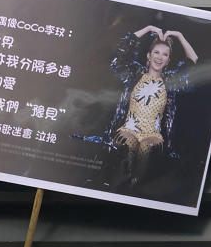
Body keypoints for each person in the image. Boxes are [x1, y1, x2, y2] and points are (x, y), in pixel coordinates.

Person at [74, 25, 198, 191]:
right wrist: (147, 29)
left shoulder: (170, 81)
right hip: (128, 128)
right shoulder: (134, 73)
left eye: (165, 54)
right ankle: (116, 187)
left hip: (152, 134)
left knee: (146, 147)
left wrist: (179, 34)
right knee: (129, 142)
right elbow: (120, 56)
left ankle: (132, 187)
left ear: (168, 60)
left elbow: (193, 61)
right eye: (156, 52)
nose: (160, 57)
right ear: (149, 55)